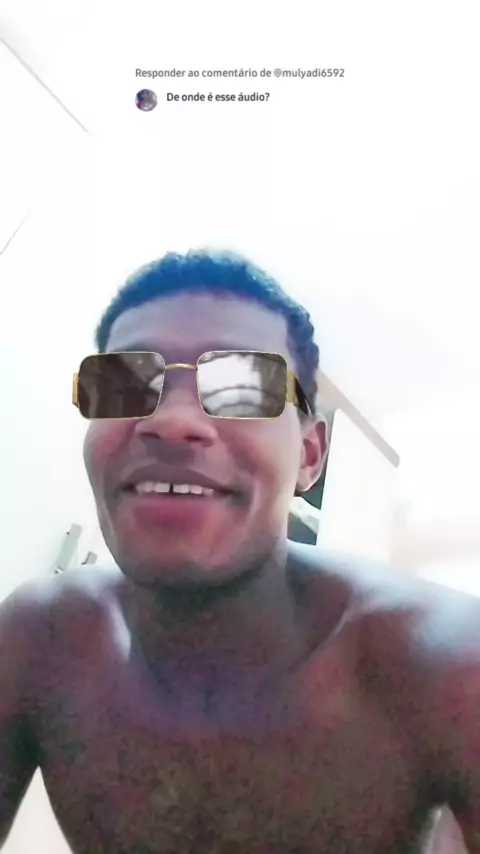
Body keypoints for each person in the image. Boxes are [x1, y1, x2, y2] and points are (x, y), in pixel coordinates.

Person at [0, 249, 478, 854]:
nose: (172, 421)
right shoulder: (40, 639)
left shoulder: (446, 665)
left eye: (243, 387)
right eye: (125, 383)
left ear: (310, 456)